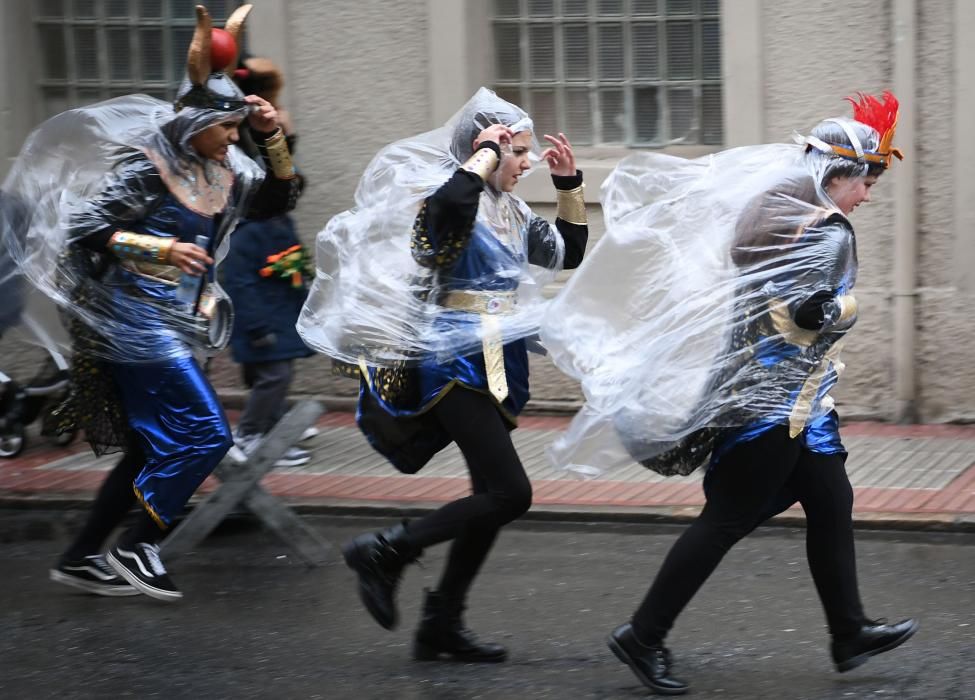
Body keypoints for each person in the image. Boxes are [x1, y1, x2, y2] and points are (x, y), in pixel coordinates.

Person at [541, 93, 916, 694]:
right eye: (863, 182)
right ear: (833, 174)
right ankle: (643, 635)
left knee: (831, 500)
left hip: (802, 401)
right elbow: (805, 312)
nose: (867, 195)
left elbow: (772, 301)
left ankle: (848, 632)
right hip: (769, 405)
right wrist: (849, 306)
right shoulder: (824, 228)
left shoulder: (774, 211)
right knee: (727, 519)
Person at [1, 4, 299, 601]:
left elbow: (275, 200)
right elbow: (82, 227)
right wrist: (159, 248)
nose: (233, 139)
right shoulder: (147, 168)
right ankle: (140, 543)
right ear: (193, 127)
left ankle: (83, 556)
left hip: (181, 320)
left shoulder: (227, 170)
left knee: (147, 447)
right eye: (227, 128)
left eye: (240, 130)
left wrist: (270, 139)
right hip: (129, 320)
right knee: (209, 436)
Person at [297, 88, 588, 661]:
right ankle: (387, 550)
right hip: (448, 361)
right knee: (510, 492)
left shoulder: (514, 210)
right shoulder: (447, 199)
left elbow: (567, 253)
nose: (526, 162)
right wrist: (478, 158)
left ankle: (441, 623)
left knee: (489, 494)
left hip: (496, 361)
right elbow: (444, 218)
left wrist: (569, 185)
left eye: (529, 152)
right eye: (518, 151)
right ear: (487, 149)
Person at [222, 55, 314, 467]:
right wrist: (257, 325)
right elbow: (238, 279)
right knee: (271, 374)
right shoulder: (244, 227)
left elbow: (284, 179)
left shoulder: (274, 219)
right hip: (258, 315)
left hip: (276, 309)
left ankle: (272, 430)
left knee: (273, 374)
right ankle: (249, 436)